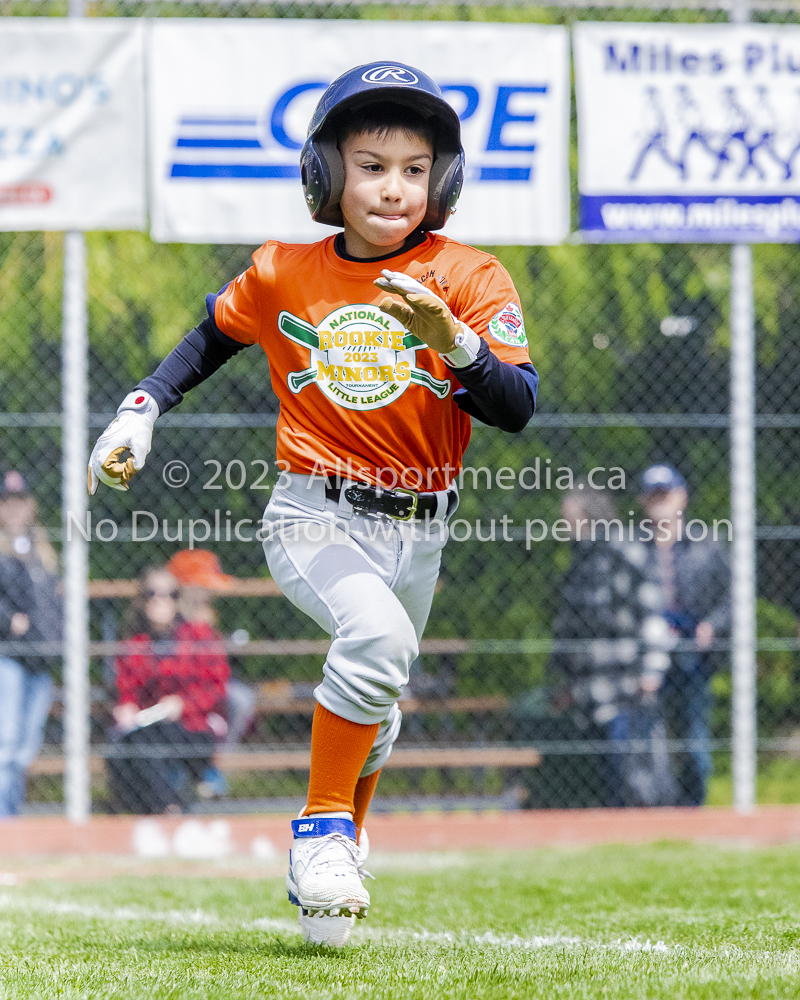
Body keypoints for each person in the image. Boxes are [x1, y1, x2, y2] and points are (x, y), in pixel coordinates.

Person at [88, 62, 537, 945]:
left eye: (415, 167)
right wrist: (140, 411)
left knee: (380, 701)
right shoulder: (285, 271)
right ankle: (323, 830)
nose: (393, 186)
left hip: (422, 530)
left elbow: (516, 407)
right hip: (315, 513)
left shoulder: (471, 275)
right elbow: (206, 339)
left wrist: (454, 341)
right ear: (325, 173)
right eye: (370, 164)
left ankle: (341, 850)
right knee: (372, 645)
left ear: (442, 180)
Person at [540, 484, 674, 808]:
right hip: (587, 695)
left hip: (626, 689)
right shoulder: (580, 559)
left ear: (587, 515)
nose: (563, 524)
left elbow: (652, 615)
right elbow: (570, 629)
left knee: (629, 779)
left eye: (568, 517)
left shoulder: (625, 552)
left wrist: (652, 669)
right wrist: (565, 683)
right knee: (600, 785)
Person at [638, 464, 731, 806]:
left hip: (694, 655)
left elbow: (733, 597)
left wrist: (711, 626)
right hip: (647, 657)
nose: (660, 502)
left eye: (666, 494)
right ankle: (654, 808)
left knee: (694, 740)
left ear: (682, 497)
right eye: (653, 496)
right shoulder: (633, 548)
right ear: (643, 501)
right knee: (650, 738)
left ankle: (695, 812)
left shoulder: (706, 545)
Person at [109, 566, 230, 814]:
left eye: (169, 595)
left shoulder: (199, 636)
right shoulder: (134, 642)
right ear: (142, 600)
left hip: (195, 724)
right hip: (149, 725)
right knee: (122, 747)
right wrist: (127, 706)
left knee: (149, 745)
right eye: (153, 594)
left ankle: (167, 811)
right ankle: (158, 811)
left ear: (178, 600)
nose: (160, 601)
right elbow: (127, 688)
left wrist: (184, 704)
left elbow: (216, 688)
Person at [165, 548, 257, 794]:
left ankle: (212, 764)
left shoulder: (206, 616)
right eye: (203, 585)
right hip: (178, 693)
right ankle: (191, 770)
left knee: (240, 699)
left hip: (207, 688)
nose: (211, 592)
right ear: (186, 586)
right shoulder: (168, 615)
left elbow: (216, 670)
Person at [0, 471, 62, 816]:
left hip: (41, 656)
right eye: (6, 502)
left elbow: (53, 601)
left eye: (19, 501)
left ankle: (12, 812)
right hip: (8, 655)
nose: (13, 509)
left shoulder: (41, 550)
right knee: (5, 739)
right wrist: (8, 620)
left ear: (30, 505)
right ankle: (3, 819)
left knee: (26, 743)